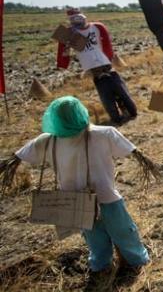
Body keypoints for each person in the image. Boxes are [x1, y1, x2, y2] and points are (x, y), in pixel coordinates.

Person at [5, 97, 153, 275]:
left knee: (93, 237)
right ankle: (136, 262)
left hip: (76, 202)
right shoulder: (104, 133)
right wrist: (147, 163)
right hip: (107, 197)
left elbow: (17, 158)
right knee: (123, 232)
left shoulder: (47, 141)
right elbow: (132, 151)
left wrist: (7, 170)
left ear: (54, 118)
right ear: (80, 112)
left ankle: (100, 267)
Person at [56, 8, 137, 125]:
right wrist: (66, 48)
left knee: (125, 97)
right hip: (94, 71)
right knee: (108, 101)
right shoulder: (69, 33)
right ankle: (117, 116)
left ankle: (126, 110)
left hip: (106, 66)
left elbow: (108, 45)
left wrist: (109, 57)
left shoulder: (97, 27)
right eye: (73, 19)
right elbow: (63, 55)